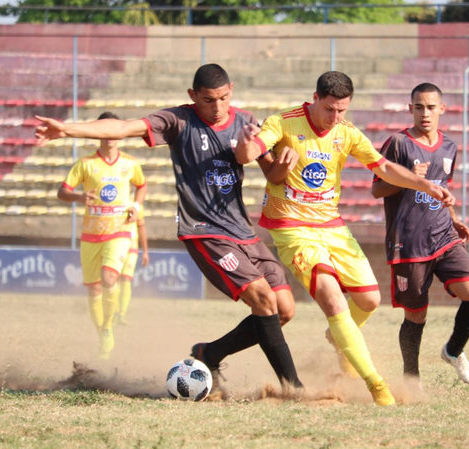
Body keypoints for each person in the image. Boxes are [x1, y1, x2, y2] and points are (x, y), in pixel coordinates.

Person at [36, 64, 303, 392]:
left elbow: (273, 176)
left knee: (284, 310)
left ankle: (210, 352)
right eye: (208, 100)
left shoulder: (246, 121)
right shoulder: (177, 120)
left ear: (231, 90)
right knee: (263, 299)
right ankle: (295, 389)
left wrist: (284, 164)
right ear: (193, 96)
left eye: (223, 98)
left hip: (243, 231)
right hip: (203, 230)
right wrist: (67, 130)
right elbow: (122, 128)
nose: (217, 107)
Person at [235, 71, 454, 406]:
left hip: (332, 226)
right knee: (335, 302)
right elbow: (251, 152)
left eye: (342, 111)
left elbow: (383, 168)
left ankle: (338, 338)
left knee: (368, 300)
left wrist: (424, 184)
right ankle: (376, 385)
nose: (335, 118)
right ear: (315, 98)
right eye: (330, 110)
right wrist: (249, 144)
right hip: (292, 227)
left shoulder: (347, 132)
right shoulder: (284, 122)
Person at [371, 82, 469, 386]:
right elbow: (377, 189)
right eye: (419, 107)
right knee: (416, 316)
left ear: (442, 109)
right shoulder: (397, 143)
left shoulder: (449, 146)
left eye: (431, 107)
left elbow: (441, 188)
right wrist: (408, 180)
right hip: (408, 243)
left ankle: (454, 350)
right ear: (410, 109)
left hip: (443, 235)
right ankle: (411, 377)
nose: (425, 113)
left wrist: (453, 218)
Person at [56, 111, 147, 360]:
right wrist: (78, 197)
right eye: (103, 129)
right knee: (94, 290)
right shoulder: (86, 164)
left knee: (109, 279)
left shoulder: (129, 163)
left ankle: (109, 326)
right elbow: (62, 192)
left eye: (113, 129)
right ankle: (103, 331)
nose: (109, 136)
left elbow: (142, 185)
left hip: (118, 232)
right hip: (90, 236)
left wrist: (136, 207)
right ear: (97, 132)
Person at [115, 200, 150, 326]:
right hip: (115, 245)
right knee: (113, 279)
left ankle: (120, 314)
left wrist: (145, 251)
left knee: (125, 279)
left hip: (131, 246)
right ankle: (113, 312)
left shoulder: (137, 205)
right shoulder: (115, 201)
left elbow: (141, 228)